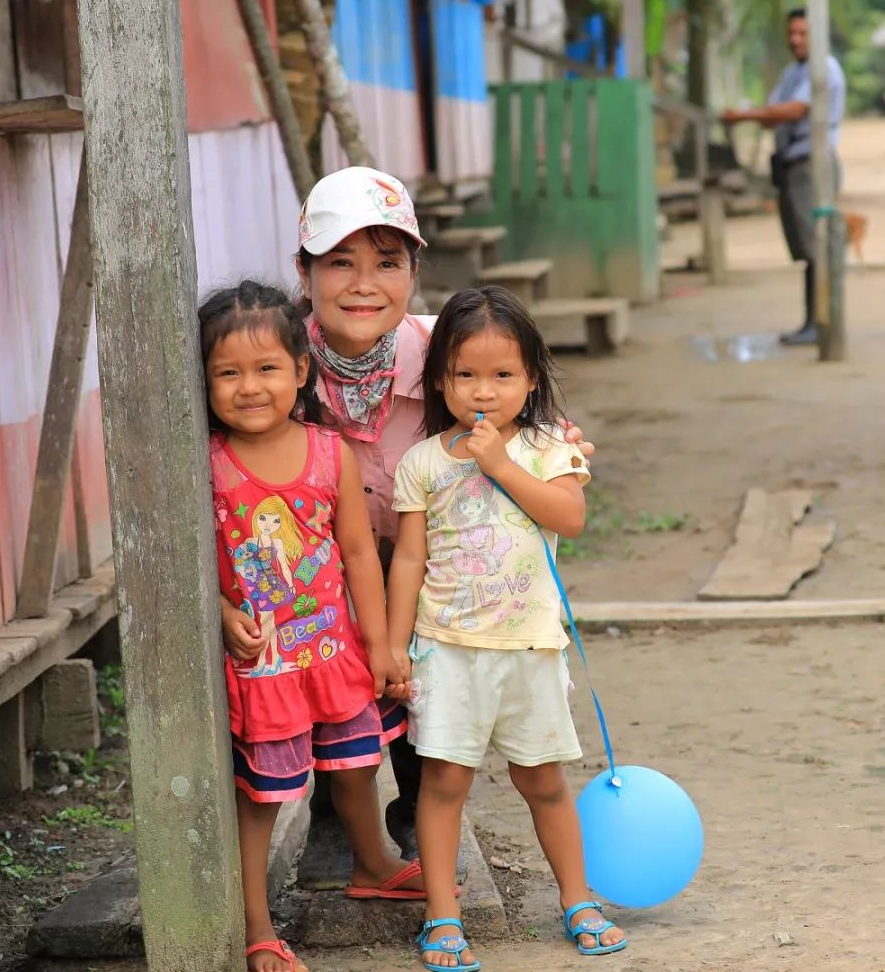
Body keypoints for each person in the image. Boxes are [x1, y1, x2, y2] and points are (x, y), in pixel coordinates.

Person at [292, 167, 594, 885]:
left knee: (423, 701)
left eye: (387, 263)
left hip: (426, 566)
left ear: (413, 272)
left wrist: (560, 442)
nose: (364, 283)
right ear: (303, 270)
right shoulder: (278, 362)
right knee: (340, 704)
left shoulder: (448, 355)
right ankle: (340, 819)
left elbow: (524, 408)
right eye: (340, 262)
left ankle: (414, 828)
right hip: (314, 569)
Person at [387, 287, 628, 969]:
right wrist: (393, 644)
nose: (483, 392)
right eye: (466, 375)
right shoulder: (424, 463)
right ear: (440, 380)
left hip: (529, 648)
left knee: (544, 781)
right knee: (442, 786)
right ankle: (442, 917)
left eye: (503, 375)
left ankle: (577, 898)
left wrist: (499, 463)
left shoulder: (551, 448)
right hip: (448, 652)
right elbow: (409, 558)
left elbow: (569, 518)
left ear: (531, 379)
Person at [199, 282, 431, 972]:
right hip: (263, 666)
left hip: (332, 651)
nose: (249, 387)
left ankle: (375, 864)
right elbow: (184, 562)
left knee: (357, 768)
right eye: (227, 373)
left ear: (301, 371)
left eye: (267, 368)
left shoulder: (331, 453)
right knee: (264, 797)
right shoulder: (206, 465)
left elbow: (361, 553)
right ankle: (256, 924)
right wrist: (220, 612)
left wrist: (382, 642)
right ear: (205, 381)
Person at [722, 7, 847, 346]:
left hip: (812, 165)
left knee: (817, 245)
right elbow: (773, 112)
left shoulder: (824, 69)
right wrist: (760, 115)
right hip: (792, 165)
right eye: (792, 33)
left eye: (803, 34)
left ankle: (823, 321)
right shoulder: (794, 72)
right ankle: (813, 320)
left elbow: (790, 110)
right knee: (807, 249)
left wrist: (745, 115)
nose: (795, 40)